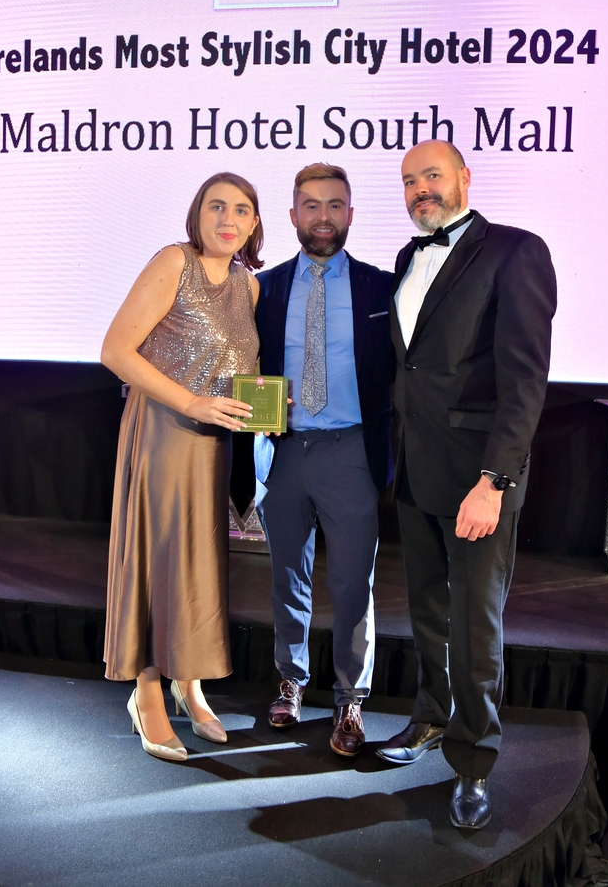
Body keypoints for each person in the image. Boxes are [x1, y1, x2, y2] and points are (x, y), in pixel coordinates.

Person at [377, 140, 557, 828]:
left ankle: (473, 764)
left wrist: (494, 481)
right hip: (415, 470)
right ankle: (430, 717)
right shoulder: (407, 257)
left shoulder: (516, 252)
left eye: (432, 175)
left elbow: (524, 381)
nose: (420, 189)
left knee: (476, 624)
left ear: (464, 178)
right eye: (409, 180)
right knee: (427, 609)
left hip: (478, 479)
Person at [101, 173, 262, 761]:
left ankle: (188, 684)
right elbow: (115, 350)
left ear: (254, 224)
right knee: (158, 557)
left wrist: (268, 407)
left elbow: (235, 372)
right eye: (216, 206)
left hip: (214, 444)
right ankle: (146, 691)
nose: (228, 218)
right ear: (197, 215)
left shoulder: (248, 285)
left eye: (240, 209)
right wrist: (191, 402)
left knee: (197, 562)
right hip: (162, 432)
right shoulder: (174, 262)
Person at [254, 162, 394, 757]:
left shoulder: (381, 288)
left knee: (353, 582)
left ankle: (349, 700)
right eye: (310, 205)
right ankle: (291, 680)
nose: (323, 217)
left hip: (350, 451)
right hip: (284, 450)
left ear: (351, 213)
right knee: (287, 575)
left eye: (334, 205)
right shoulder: (262, 288)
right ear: (292, 215)